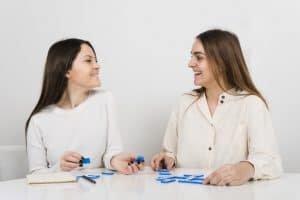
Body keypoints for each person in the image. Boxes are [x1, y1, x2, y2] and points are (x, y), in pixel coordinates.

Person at [151, 29, 283, 186]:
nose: (190, 63)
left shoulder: (251, 105)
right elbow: (169, 152)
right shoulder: (184, 102)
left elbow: (272, 162)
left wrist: (246, 169)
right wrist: (167, 158)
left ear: (222, 62)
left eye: (199, 57)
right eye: (191, 56)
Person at [25, 38, 144, 175]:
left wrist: (115, 160)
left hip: (102, 191)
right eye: (88, 60)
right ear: (66, 70)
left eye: (95, 60)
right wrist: (59, 168)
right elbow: (35, 174)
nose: (97, 66)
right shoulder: (38, 121)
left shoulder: (105, 99)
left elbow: (112, 152)